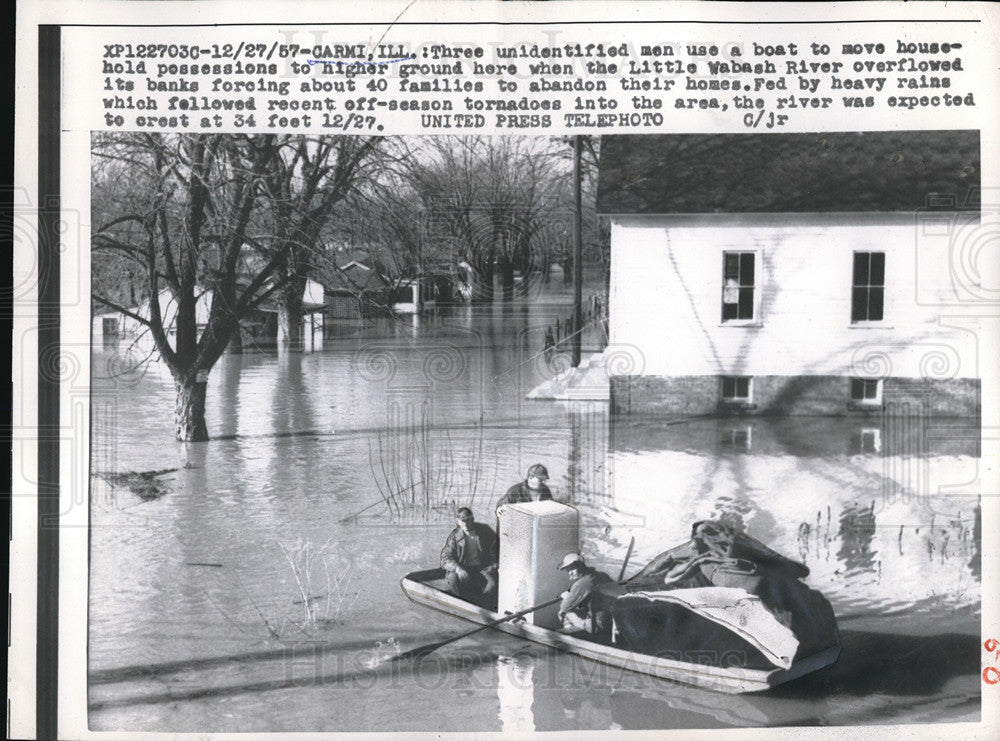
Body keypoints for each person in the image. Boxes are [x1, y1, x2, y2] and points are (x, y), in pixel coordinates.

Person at [556, 553, 625, 643]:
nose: (570, 573)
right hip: (613, 622)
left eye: (572, 568)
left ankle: (570, 640)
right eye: (568, 570)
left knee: (565, 612)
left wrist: (566, 596)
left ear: (581, 566)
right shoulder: (601, 575)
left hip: (596, 626)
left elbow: (565, 607)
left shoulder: (582, 583)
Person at [440, 507, 498, 608]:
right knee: (453, 580)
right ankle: (464, 605)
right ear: (458, 521)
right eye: (463, 521)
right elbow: (445, 557)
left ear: (473, 519)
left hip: (481, 568)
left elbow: (498, 548)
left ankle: (482, 605)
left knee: (492, 584)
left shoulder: (484, 530)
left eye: (468, 520)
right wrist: (458, 569)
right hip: (464, 568)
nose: (466, 524)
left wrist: (493, 565)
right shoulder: (454, 536)